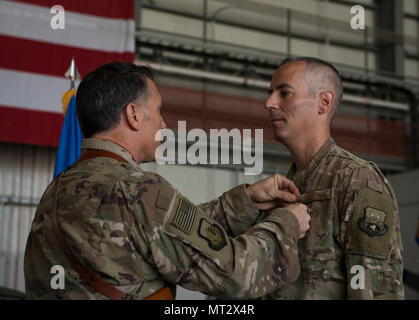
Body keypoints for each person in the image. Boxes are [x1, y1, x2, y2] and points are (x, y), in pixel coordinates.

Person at [24, 62, 310, 300]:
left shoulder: (58, 189)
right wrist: (286, 224)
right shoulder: (138, 190)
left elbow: (160, 230)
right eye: (159, 110)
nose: (164, 124)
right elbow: (237, 274)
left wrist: (245, 201)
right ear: (133, 115)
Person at [264, 56, 404, 299]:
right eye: (270, 93)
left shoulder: (357, 179)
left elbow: (373, 291)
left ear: (323, 102)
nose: (269, 103)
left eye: (284, 93)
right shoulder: (285, 186)